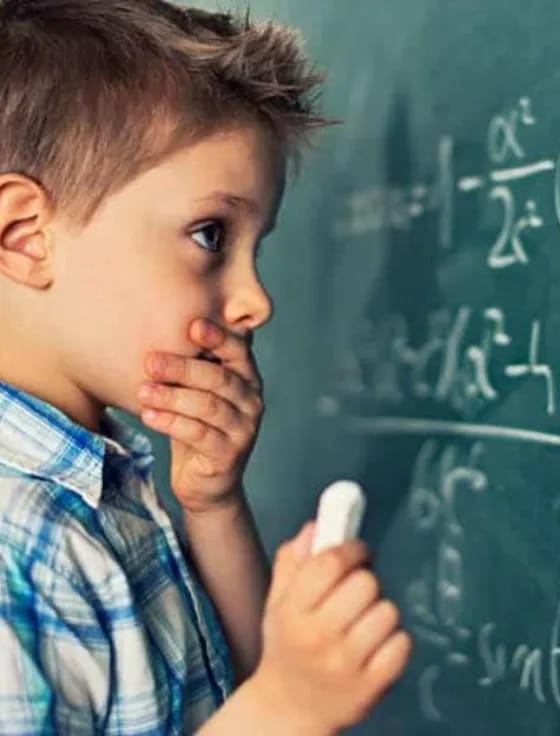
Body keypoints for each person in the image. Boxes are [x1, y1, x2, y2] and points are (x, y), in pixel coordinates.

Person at [0, 0, 412, 733]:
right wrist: (287, 706)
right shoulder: (17, 544)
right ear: (26, 237)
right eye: (210, 234)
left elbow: (235, 688)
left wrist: (213, 505)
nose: (256, 301)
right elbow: (266, 707)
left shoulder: (102, 481)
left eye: (258, 247)